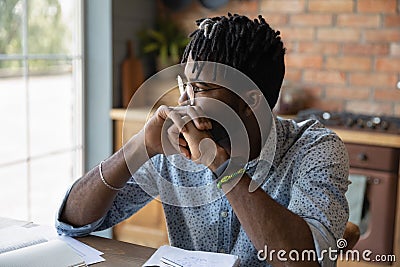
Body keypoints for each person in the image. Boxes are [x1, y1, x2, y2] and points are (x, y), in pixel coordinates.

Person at [56, 13, 349, 266]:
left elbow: (305, 262)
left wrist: (220, 164)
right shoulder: (173, 145)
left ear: (250, 101)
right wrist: (139, 146)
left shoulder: (315, 149)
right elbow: (72, 222)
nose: (184, 100)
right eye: (184, 85)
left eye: (200, 88)